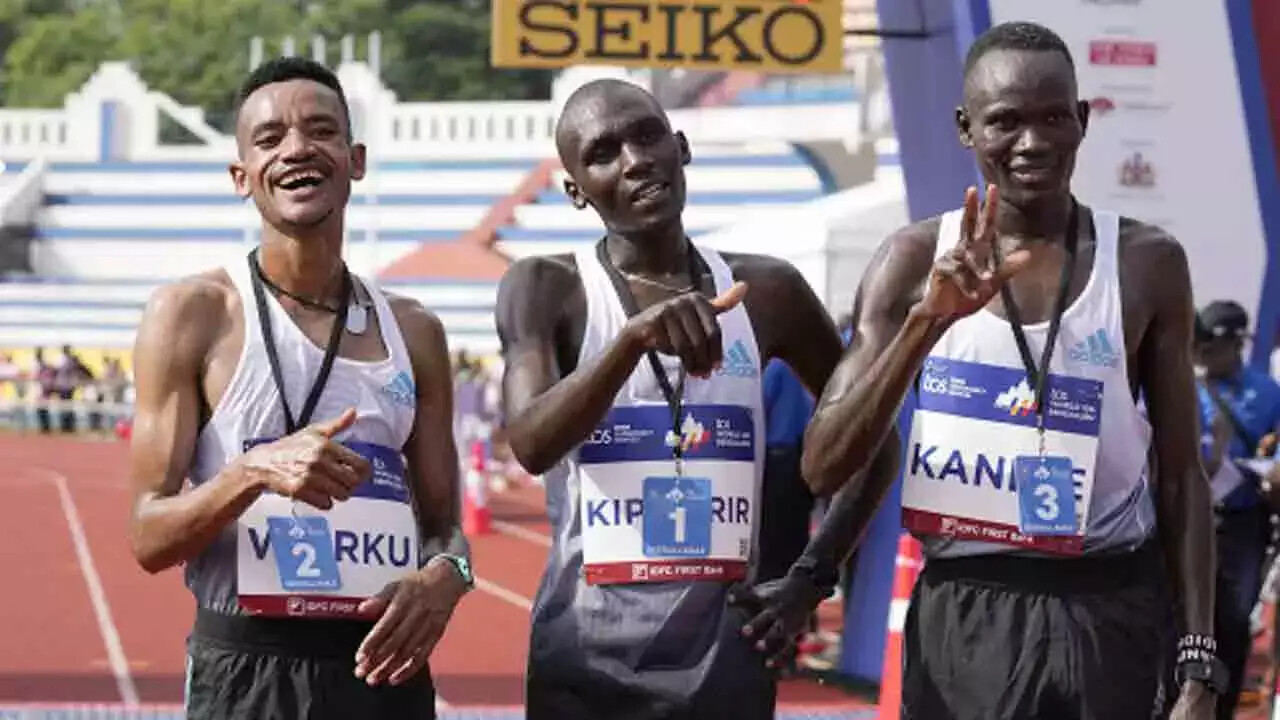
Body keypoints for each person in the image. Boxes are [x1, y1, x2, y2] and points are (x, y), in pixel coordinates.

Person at [801, 22, 1218, 719]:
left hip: (1109, 605)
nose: (1032, 142)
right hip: (968, 612)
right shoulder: (911, 261)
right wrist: (925, 324)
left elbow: (1181, 475)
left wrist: (1199, 660)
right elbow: (823, 466)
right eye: (1005, 121)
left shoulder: (1146, 263)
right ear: (966, 128)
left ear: (1082, 120)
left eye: (1053, 117)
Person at [495, 78, 893, 720]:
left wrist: (810, 579)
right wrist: (630, 342)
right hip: (583, 669)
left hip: (725, 671)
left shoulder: (768, 292)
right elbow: (531, 443)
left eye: (647, 136)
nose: (634, 160)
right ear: (575, 190)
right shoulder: (547, 288)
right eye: (603, 153)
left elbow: (875, 437)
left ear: (680, 147)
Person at [126, 57, 472, 719]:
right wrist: (253, 471)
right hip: (248, 672)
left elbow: (445, 530)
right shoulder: (192, 315)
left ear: (355, 160)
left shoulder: (415, 330)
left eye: (321, 130)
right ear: (241, 176)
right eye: (269, 138)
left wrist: (448, 577)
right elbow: (147, 536)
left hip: (382, 664)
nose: (297, 149)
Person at [1193, 299, 1280, 717]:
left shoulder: (1267, 393)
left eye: (1212, 350)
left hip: (1243, 525)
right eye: (1200, 349)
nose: (1204, 358)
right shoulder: (1185, 385)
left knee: (1231, 620)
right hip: (1191, 521)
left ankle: (1220, 708)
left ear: (1236, 345)